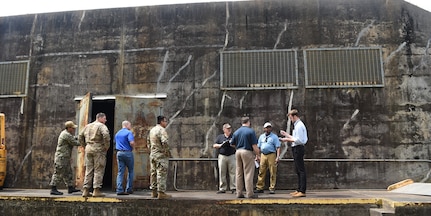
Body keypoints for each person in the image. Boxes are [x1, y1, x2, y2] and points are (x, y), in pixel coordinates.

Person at [78, 112, 111, 197]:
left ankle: (85, 190)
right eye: (104, 118)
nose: (105, 120)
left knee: (88, 169)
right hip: (98, 148)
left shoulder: (87, 126)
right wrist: (106, 146)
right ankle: (96, 190)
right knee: (98, 169)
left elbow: (80, 136)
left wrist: (84, 145)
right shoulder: (101, 126)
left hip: (88, 148)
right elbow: (106, 135)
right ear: (100, 118)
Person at [280, 109, 308, 197]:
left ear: (294, 116)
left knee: (301, 169)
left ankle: (302, 190)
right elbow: (295, 137)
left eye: (291, 118)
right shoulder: (297, 125)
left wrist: (286, 139)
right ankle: (299, 188)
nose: (290, 120)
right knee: (297, 169)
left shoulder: (299, 125)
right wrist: (287, 135)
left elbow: (299, 140)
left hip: (298, 148)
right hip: (296, 147)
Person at [230, 116, 260, 199]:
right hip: (247, 151)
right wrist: (258, 155)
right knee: (248, 173)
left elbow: (232, 143)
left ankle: (239, 192)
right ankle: (250, 193)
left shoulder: (236, 132)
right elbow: (254, 145)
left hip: (238, 151)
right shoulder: (250, 131)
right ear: (248, 122)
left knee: (239, 172)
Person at [49, 121, 81, 195]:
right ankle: (53, 188)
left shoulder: (67, 134)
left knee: (68, 173)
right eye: (72, 128)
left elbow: (73, 138)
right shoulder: (66, 134)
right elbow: (75, 142)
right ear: (69, 128)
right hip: (61, 157)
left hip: (65, 157)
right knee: (58, 172)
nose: (73, 130)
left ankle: (70, 188)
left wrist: (79, 137)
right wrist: (86, 141)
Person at [148, 115, 171, 199]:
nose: (166, 123)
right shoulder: (162, 130)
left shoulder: (152, 130)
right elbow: (165, 141)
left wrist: (152, 150)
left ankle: (153, 192)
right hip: (160, 155)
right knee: (161, 173)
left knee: (153, 173)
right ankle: (161, 192)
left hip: (153, 154)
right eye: (165, 121)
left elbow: (148, 142)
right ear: (161, 122)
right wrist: (166, 151)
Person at [254, 122, 281, 194]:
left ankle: (272, 187)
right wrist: (257, 156)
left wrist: (277, 157)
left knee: (272, 171)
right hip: (263, 155)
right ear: (264, 129)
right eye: (266, 128)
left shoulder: (274, 137)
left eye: (269, 127)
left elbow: (278, 147)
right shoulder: (261, 137)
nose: (267, 129)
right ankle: (259, 187)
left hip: (271, 154)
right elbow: (258, 147)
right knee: (261, 171)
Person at [213, 123, 236, 194]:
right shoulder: (220, 137)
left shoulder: (233, 136)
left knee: (233, 172)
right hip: (222, 156)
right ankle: (222, 187)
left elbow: (237, 144)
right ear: (224, 130)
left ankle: (233, 187)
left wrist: (231, 144)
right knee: (222, 172)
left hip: (232, 155)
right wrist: (221, 145)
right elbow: (214, 145)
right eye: (227, 129)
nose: (229, 130)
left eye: (230, 129)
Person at [115, 120, 135, 195]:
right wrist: (133, 147)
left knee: (120, 172)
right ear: (126, 125)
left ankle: (119, 189)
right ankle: (129, 188)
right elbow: (132, 142)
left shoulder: (117, 133)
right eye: (130, 125)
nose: (130, 126)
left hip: (119, 152)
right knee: (130, 171)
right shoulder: (129, 132)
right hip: (127, 152)